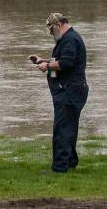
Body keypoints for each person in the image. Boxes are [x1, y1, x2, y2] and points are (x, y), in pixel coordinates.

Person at [29, 12, 88, 173]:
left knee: (62, 129)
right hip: (74, 89)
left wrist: (47, 67)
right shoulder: (70, 38)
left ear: (58, 25)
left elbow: (66, 63)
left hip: (70, 90)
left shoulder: (70, 40)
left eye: (51, 30)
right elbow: (63, 60)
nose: (50, 34)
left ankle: (59, 167)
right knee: (68, 127)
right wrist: (44, 60)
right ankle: (70, 162)